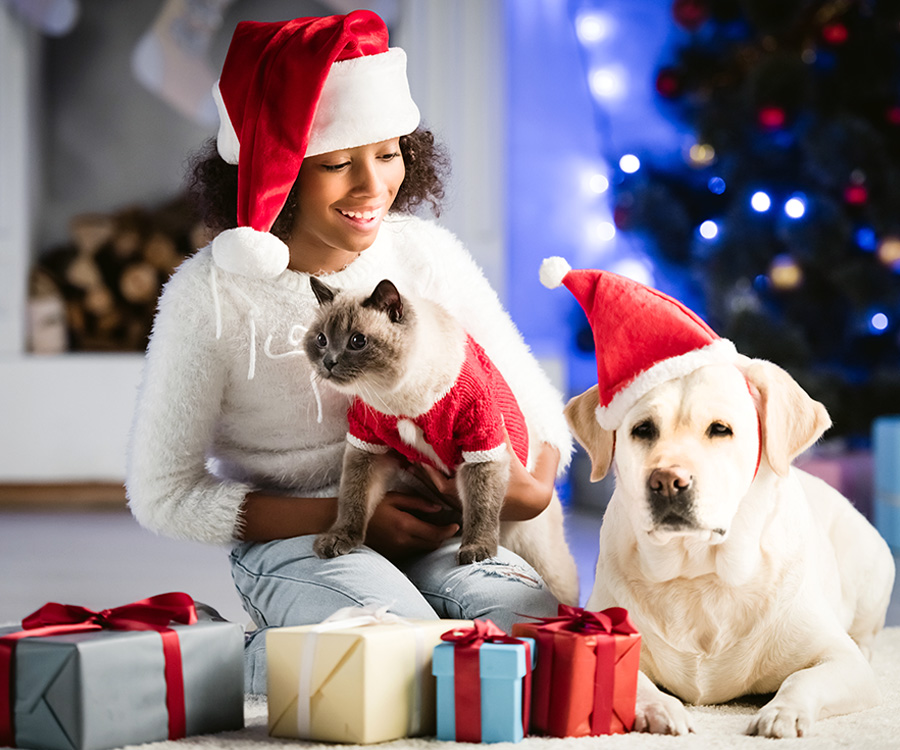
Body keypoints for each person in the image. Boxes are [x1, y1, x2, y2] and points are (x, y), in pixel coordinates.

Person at [125, 10, 575, 694]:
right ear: (279, 173)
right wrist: (349, 514)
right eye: (338, 164)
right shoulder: (209, 297)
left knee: (540, 649)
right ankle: (213, 659)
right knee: (397, 669)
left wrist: (533, 480)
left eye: (389, 153)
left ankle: (325, 645)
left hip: (438, 529)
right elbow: (163, 495)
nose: (373, 187)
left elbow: (537, 412)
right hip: (301, 540)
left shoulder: (425, 255)